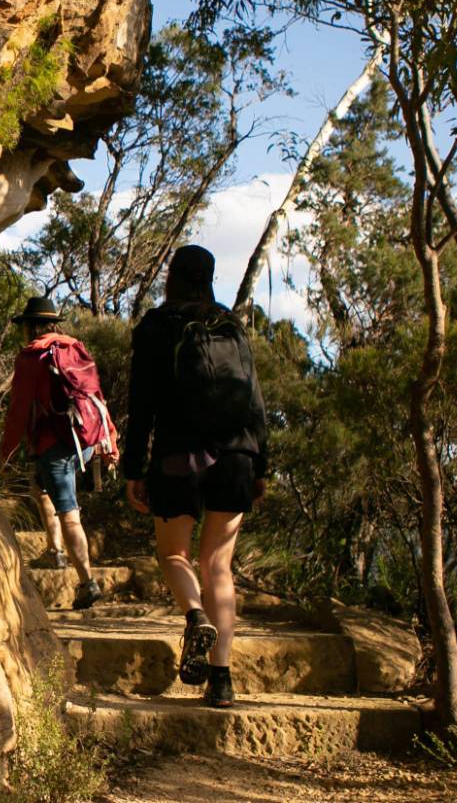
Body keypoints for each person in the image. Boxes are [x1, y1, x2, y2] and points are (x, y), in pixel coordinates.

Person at [120, 245, 268, 709]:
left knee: (173, 553)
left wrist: (133, 468)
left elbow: (141, 404)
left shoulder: (157, 325)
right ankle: (220, 681)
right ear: (210, 277)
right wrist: (262, 464)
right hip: (238, 453)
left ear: (172, 277)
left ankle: (194, 615)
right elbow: (256, 400)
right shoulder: (230, 325)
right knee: (218, 565)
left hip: (178, 453)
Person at [0, 296, 119, 611]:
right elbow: (96, 396)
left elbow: (19, 410)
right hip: (87, 438)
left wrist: (5, 453)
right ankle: (55, 550)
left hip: (55, 445)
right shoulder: (75, 348)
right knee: (38, 488)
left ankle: (86, 582)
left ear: (31, 327)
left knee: (69, 513)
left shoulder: (33, 356)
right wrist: (111, 440)